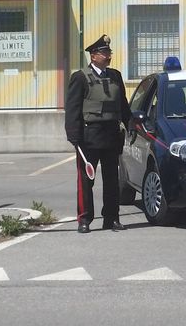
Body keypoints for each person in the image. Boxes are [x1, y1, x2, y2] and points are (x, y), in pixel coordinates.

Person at [64, 34, 131, 233]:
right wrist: (73, 135)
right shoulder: (80, 77)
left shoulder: (115, 76)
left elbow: (123, 105)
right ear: (93, 56)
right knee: (86, 181)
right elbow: (73, 108)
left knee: (112, 180)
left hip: (111, 135)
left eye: (109, 52)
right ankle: (84, 220)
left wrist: (131, 124)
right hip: (89, 135)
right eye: (104, 53)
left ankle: (112, 218)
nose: (108, 56)